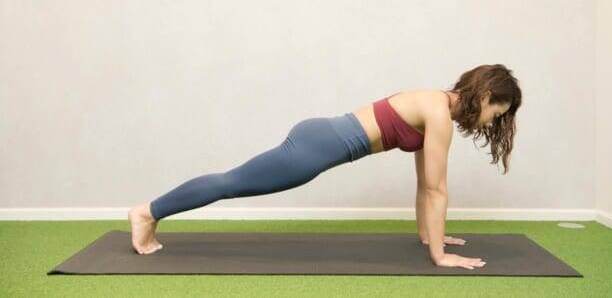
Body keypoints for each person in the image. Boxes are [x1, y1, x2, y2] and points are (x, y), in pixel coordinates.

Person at [128, 64, 521, 270]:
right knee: (232, 183)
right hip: (315, 149)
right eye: (496, 112)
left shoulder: (436, 105)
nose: (491, 122)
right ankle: (147, 212)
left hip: (320, 136)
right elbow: (437, 190)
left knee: (233, 181)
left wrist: (428, 236)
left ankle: (150, 213)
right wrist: (440, 256)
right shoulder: (437, 112)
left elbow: (425, 184)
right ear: (486, 94)